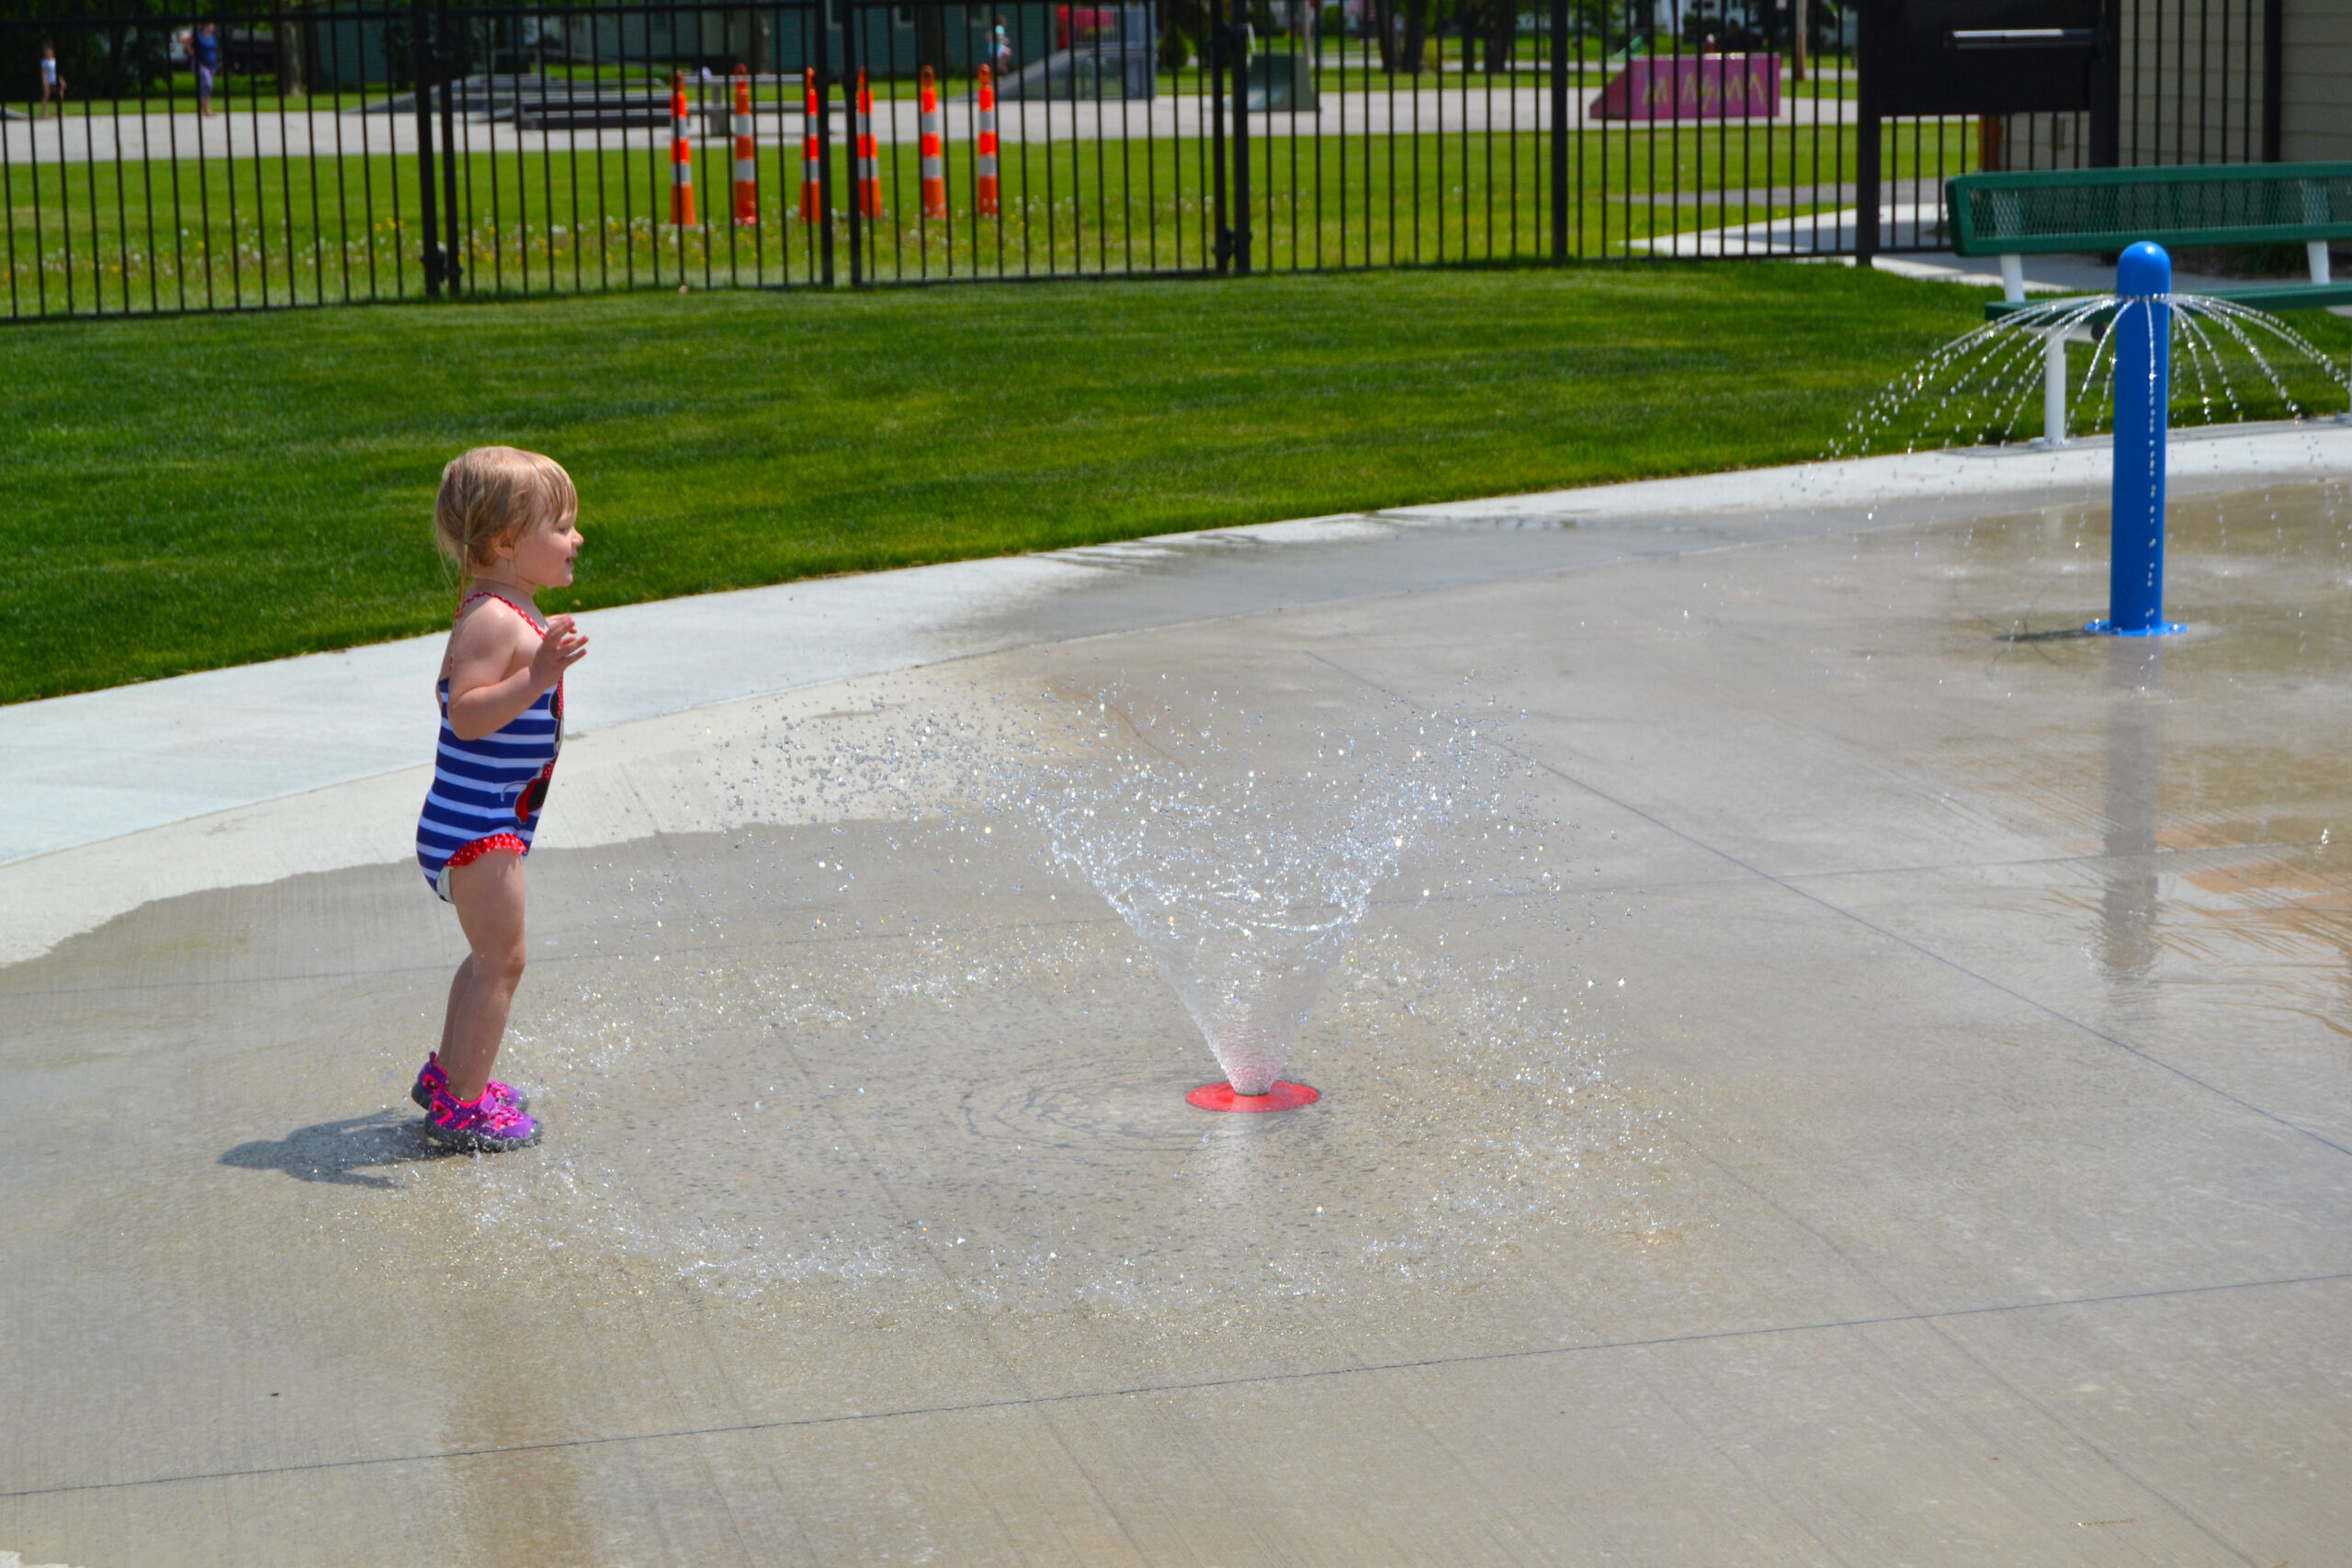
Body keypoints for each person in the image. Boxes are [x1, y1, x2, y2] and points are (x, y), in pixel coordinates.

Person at [411, 447, 590, 1152]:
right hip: (477, 826)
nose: (576, 538)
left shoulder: (504, 605)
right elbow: (466, 712)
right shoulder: (492, 618)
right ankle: (462, 1104)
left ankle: (450, 1074)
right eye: (563, 525)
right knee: (504, 961)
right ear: (508, 544)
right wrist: (539, 674)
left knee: (487, 956)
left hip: (482, 819)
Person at [190, 22, 219, 118]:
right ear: (205, 26)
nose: (213, 27)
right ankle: (206, 110)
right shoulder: (198, 35)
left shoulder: (211, 36)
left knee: (208, 88)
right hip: (201, 64)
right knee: (207, 84)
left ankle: (206, 109)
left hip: (211, 65)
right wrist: (191, 52)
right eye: (211, 26)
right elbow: (184, 39)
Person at [37, 42, 64, 118]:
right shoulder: (44, 62)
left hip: (55, 80)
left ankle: (58, 111)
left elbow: (57, 72)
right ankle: (44, 112)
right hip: (48, 81)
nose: (47, 53)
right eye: (46, 51)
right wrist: (44, 83)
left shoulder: (54, 61)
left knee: (60, 94)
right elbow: (43, 73)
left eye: (48, 51)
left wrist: (61, 80)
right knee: (46, 96)